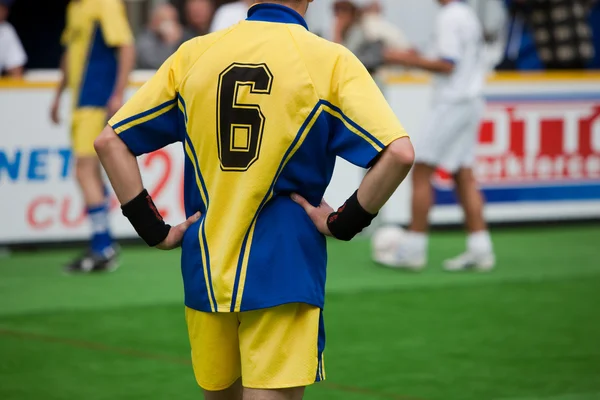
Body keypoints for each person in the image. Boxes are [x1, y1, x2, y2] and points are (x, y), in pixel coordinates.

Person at [94, 0, 414, 397]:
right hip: (286, 263)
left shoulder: (194, 54)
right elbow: (398, 153)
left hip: (206, 266)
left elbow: (110, 142)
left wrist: (154, 230)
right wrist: (343, 222)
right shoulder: (329, 60)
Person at [381, 0, 495, 271]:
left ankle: (413, 250)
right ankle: (481, 250)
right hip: (472, 99)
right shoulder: (465, 14)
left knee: (420, 170)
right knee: (463, 174)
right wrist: (418, 55)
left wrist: (404, 59)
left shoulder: (449, 16)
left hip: (452, 102)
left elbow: (447, 65)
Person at [50, 0, 135, 273]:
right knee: (92, 174)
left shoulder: (105, 4)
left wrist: (118, 93)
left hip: (95, 100)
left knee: (83, 170)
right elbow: (69, 53)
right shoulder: (75, 7)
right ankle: (103, 244)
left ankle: (103, 246)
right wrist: (58, 94)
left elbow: (126, 46)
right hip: (80, 103)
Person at [137, 3, 184, 69]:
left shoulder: (183, 36)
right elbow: (154, 64)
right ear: (155, 20)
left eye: (173, 20)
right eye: (166, 20)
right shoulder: (145, 39)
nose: (170, 25)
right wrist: (170, 43)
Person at [0, 0, 27, 78]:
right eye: (1, 6)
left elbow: (16, 69)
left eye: (6, 7)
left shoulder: (6, 30)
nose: (4, 11)